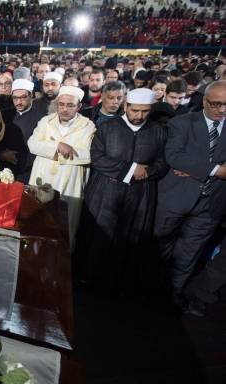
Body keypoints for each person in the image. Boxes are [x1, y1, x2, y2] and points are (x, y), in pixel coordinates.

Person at [79, 88, 168, 291]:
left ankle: (121, 284)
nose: (139, 116)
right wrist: (131, 169)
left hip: (141, 193)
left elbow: (163, 162)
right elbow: (98, 158)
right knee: (100, 237)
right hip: (105, 191)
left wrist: (148, 172)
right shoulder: (107, 127)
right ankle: (91, 280)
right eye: (135, 110)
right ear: (125, 106)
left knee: (131, 238)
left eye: (145, 111)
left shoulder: (159, 131)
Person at [154, 80, 226, 308]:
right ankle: (153, 290)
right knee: (160, 249)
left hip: (211, 205)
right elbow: (175, 156)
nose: (222, 110)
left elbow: (187, 162)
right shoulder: (182, 123)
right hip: (175, 199)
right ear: (204, 101)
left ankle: (175, 293)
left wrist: (194, 169)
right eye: (216, 104)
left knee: (189, 255)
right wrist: (216, 170)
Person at [28, 86, 96, 247]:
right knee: (37, 222)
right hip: (42, 177)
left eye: (70, 105)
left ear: (79, 106)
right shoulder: (46, 121)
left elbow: (88, 154)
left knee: (65, 226)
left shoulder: (88, 126)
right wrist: (58, 146)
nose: (65, 109)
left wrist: (50, 147)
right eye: (62, 104)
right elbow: (33, 144)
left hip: (69, 183)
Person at [0, 79, 47, 183]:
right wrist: (0, 153)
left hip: (26, 171)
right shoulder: (3, 115)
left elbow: (40, 147)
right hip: (1, 167)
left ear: (31, 96)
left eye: (23, 97)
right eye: (15, 98)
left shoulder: (42, 119)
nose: (18, 102)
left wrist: (19, 159)